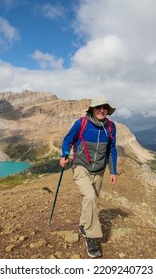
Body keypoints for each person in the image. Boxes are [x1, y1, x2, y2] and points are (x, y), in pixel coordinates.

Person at [60, 96, 117, 258]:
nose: (102, 110)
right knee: (90, 197)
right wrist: (64, 155)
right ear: (92, 109)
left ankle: (84, 224)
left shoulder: (111, 127)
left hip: (99, 169)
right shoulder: (82, 123)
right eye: (98, 107)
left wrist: (113, 171)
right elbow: (67, 140)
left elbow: (112, 150)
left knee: (91, 200)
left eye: (105, 108)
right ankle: (91, 238)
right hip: (81, 166)